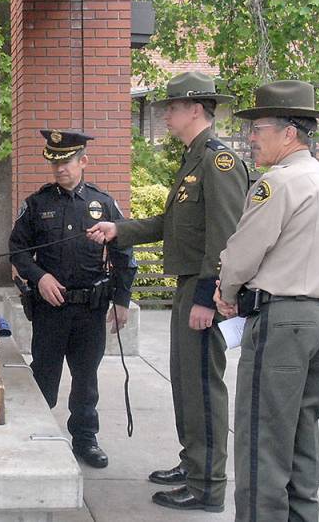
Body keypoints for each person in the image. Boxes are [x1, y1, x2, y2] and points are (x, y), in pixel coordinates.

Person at [86, 71, 248, 512]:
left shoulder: (219, 162)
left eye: (172, 108)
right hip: (189, 286)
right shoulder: (193, 159)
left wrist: (207, 297)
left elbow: (226, 236)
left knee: (202, 386)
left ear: (195, 109)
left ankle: (208, 485)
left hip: (202, 290)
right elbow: (167, 225)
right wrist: (117, 229)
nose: (167, 115)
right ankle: (192, 462)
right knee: (185, 384)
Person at [214, 80, 319, 522]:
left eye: (260, 128)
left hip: (283, 320)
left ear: (289, 133)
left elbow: (244, 251)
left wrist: (226, 292)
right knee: (301, 433)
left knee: (262, 439)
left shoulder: (278, 184)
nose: (252, 137)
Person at [9, 129, 137, 469]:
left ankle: (85, 439)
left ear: (83, 161)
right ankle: (35, 435)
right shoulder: (37, 204)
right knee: (44, 377)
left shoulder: (104, 204)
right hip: (50, 309)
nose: (59, 169)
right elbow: (18, 250)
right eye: (54, 163)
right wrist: (39, 276)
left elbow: (125, 254)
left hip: (90, 309)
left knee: (86, 380)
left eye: (65, 162)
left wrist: (122, 300)